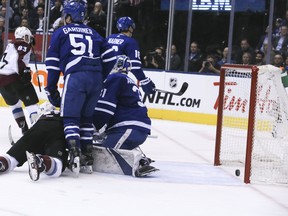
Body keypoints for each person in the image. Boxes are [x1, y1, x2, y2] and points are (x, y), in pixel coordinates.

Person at [45, 0, 115, 176]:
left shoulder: (61, 32)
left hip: (76, 76)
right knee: (86, 118)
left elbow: (53, 64)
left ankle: (74, 156)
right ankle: (87, 157)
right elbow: (111, 58)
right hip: (96, 78)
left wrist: (51, 88)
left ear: (68, 16)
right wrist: (101, 75)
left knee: (70, 118)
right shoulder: (95, 33)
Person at [93, 55, 158, 177]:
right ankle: (139, 157)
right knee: (103, 145)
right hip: (134, 128)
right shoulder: (126, 80)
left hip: (128, 128)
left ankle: (139, 162)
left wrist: (93, 126)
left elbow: (105, 109)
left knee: (104, 154)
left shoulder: (114, 78)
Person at [0, 102, 68, 181]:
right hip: (58, 129)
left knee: (11, 158)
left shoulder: (41, 115)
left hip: (38, 128)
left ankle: (2, 162)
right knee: (57, 165)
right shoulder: (67, 115)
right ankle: (41, 161)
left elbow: (35, 141)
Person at [0, 26, 39, 134]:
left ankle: (24, 129)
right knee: (32, 104)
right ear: (24, 36)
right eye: (29, 37)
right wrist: (23, 71)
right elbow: (18, 60)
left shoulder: (11, 45)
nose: (30, 39)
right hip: (14, 78)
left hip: (2, 82)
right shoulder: (22, 44)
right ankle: (37, 134)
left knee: (15, 105)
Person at [104, 16, 156, 94]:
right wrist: (144, 80)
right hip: (117, 80)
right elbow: (135, 66)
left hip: (103, 77)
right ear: (130, 28)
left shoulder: (109, 38)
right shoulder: (131, 42)